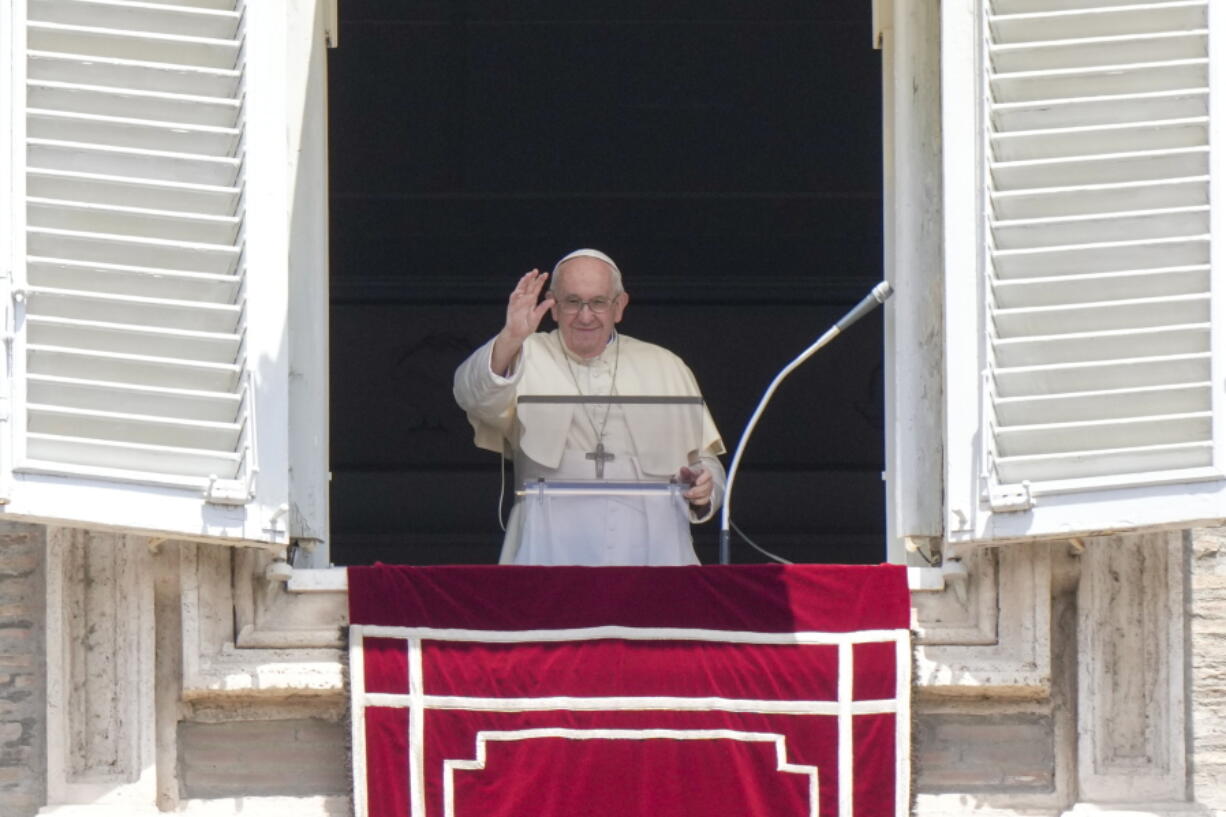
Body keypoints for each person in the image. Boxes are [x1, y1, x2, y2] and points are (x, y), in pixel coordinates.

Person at [453, 248, 726, 565]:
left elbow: (706, 461)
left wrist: (705, 486)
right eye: (572, 302)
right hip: (550, 544)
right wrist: (510, 336)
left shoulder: (665, 365)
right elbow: (469, 394)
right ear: (553, 306)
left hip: (652, 545)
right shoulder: (522, 354)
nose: (585, 316)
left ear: (619, 306)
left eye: (598, 302)